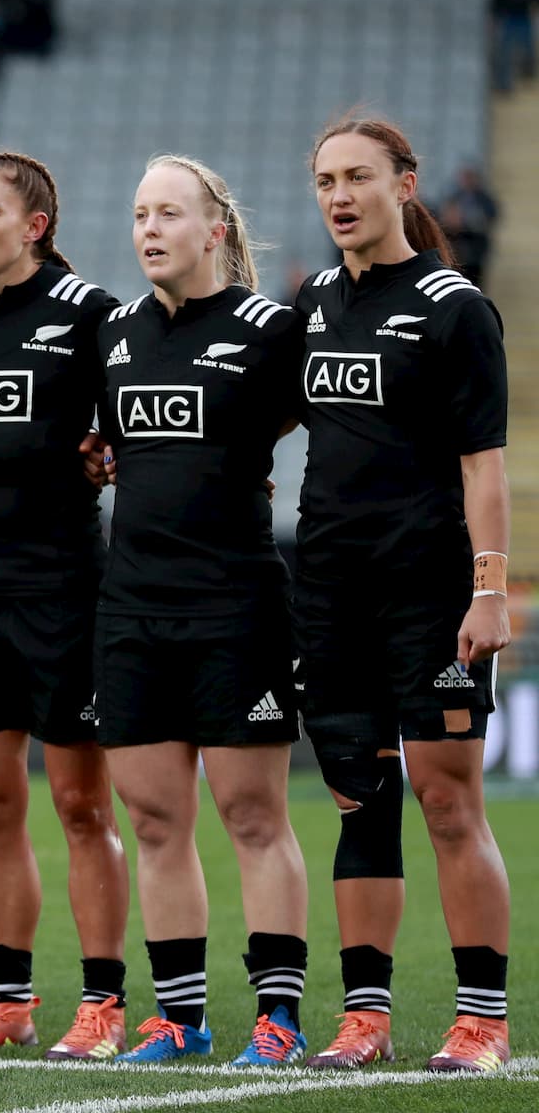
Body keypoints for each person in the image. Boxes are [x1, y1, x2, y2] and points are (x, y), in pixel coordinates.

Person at [294, 118, 513, 1073]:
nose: (339, 196)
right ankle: (366, 1020)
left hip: (428, 594)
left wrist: (490, 590)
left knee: (449, 803)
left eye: (358, 178)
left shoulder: (456, 307)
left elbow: (485, 466)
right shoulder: (308, 304)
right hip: (331, 595)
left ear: (406, 185)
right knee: (358, 801)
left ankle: (481, 1022)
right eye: (325, 180)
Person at [93, 156, 310, 1067]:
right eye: (141, 213)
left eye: (169, 213)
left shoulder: (271, 332)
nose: (149, 229)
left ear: (214, 229)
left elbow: (339, 427)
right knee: (151, 820)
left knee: (254, 817)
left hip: (235, 605)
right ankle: (179, 1018)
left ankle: (280, 1020)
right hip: (132, 606)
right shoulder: (114, 333)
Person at [0, 152, 131, 1060]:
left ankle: (103, 1005)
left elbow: (135, 419)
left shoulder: (89, 314)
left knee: (83, 805)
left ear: (33, 225)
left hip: (63, 588)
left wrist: (109, 448)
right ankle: (8, 1001)